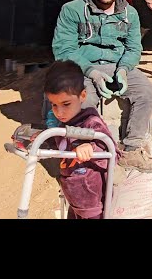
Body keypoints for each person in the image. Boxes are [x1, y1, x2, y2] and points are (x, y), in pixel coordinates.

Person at [52, 0, 152, 173]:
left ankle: (130, 150)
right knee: (84, 98)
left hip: (117, 65)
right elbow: (63, 49)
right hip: (81, 65)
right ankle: (84, 150)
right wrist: (91, 73)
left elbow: (133, 47)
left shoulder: (130, 13)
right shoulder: (72, 9)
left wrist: (123, 70)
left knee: (146, 91)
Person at [44, 60, 119, 219]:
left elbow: (111, 150)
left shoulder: (91, 123)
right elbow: (60, 146)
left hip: (92, 202)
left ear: (82, 96)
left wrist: (91, 147)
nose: (59, 111)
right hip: (74, 197)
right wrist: (43, 139)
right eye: (54, 105)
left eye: (66, 104)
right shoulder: (63, 124)